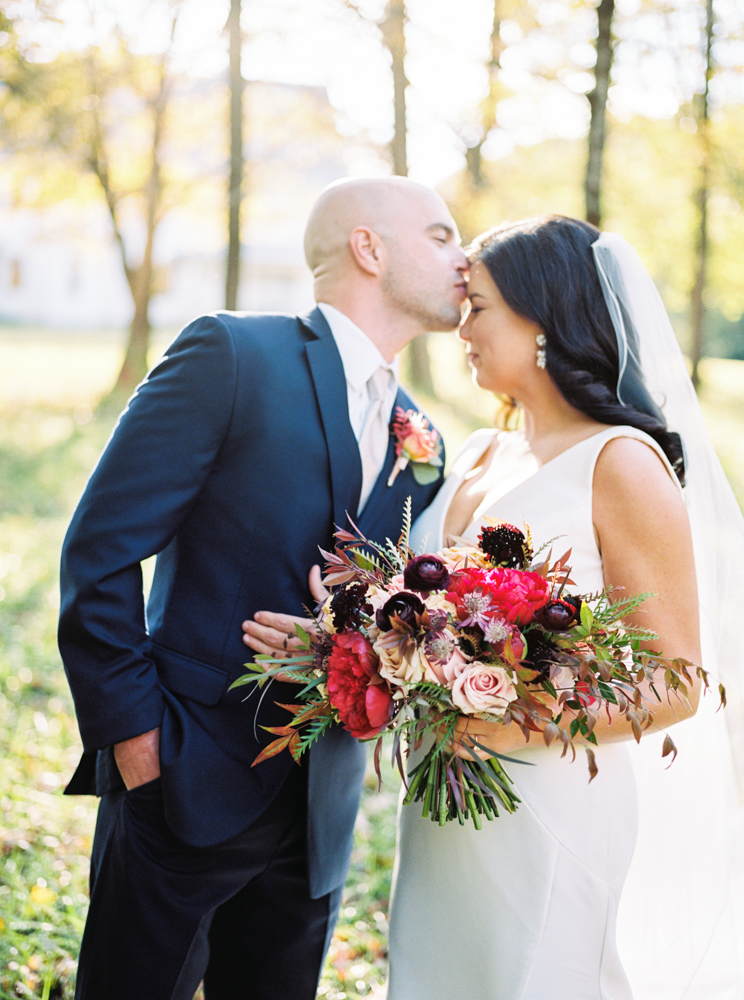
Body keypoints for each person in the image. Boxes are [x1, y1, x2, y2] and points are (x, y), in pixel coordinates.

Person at [247, 214, 744, 999]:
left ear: (543, 318)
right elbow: (414, 609)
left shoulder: (621, 463)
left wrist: (495, 719)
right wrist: (335, 642)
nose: (460, 329)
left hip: (548, 803)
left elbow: (677, 682)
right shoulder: (478, 450)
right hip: (445, 801)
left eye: (477, 307)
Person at [57, 175, 468, 1000]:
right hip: (184, 777)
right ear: (369, 247)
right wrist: (139, 743)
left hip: (319, 806)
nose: (465, 259)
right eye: (442, 235)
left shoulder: (421, 435)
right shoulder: (233, 355)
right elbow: (99, 549)